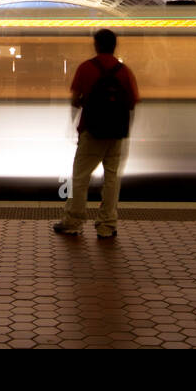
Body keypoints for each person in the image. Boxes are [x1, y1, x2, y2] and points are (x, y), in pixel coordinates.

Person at [53, 28, 139, 240]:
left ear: (96, 45)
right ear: (114, 46)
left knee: (80, 178)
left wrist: (74, 123)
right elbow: (132, 102)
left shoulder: (86, 68)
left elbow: (75, 100)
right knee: (112, 179)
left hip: (91, 132)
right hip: (117, 134)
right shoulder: (124, 71)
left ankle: (73, 222)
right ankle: (106, 225)